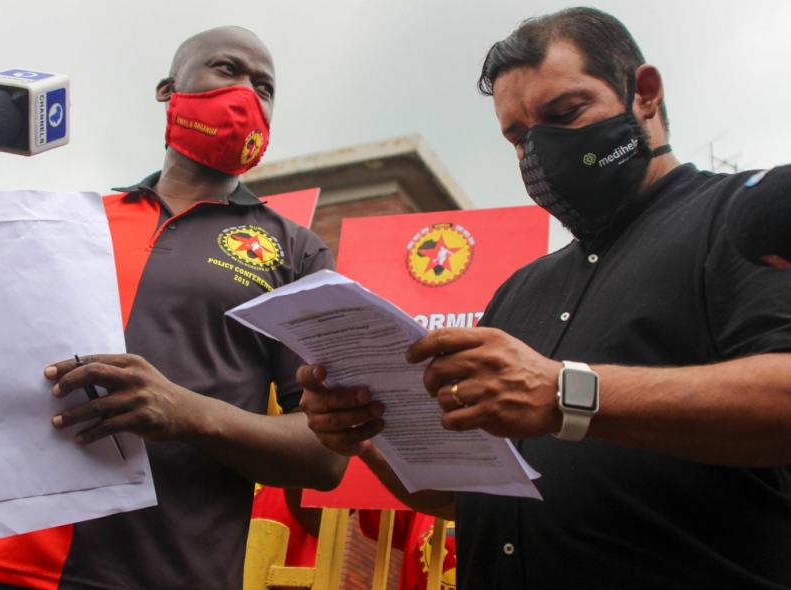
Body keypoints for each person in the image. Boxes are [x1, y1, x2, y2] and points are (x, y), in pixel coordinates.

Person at [298, 7, 791, 589]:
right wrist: (367, 435)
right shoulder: (520, 291)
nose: (541, 151)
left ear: (646, 94)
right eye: (519, 137)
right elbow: (468, 494)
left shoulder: (746, 218)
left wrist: (566, 394)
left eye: (565, 114)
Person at [0, 26, 345, 590]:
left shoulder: (295, 249)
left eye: (264, 87)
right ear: (169, 89)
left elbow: (325, 455)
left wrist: (186, 413)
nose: (246, 93)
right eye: (227, 69)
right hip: (0, 571)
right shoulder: (60, 224)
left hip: (165, 572)